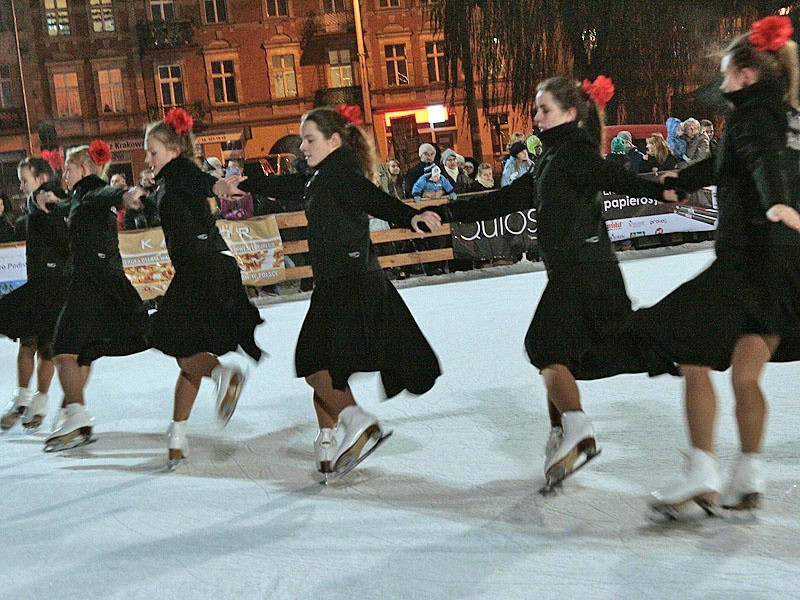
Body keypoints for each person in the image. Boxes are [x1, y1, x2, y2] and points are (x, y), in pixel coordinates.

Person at [429, 76, 677, 490]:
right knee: (558, 350)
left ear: (570, 113)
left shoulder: (574, 152)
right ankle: (563, 435)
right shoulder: (551, 156)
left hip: (585, 269)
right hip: (577, 270)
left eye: (544, 109)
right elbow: (506, 198)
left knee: (544, 346)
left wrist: (660, 190)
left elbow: (611, 176)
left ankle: (575, 428)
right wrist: (449, 211)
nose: (536, 117)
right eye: (537, 110)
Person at [613, 16, 800, 517]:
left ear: (745, 74)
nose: (720, 84)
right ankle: (750, 471)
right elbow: (731, 162)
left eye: (724, 74)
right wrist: (680, 177)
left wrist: (778, 203)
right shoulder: (782, 114)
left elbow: (763, 163)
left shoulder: (752, 116)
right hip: (783, 271)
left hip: (747, 264)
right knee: (744, 373)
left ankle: (700, 472)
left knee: (686, 347)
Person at [238, 105, 442, 479]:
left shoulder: (341, 174)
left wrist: (408, 216)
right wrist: (248, 184)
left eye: (309, 139)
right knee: (328, 367)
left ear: (333, 141)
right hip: (344, 281)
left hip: (348, 283)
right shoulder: (323, 176)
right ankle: (328, 440)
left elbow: (372, 198)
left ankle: (357, 422)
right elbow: (291, 187)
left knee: (314, 364)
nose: (302, 147)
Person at [141, 108, 264, 469]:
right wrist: (142, 197)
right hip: (211, 265)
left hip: (203, 266)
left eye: (153, 152)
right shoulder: (168, 180)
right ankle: (177, 435)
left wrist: (219, 186)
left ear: (174, 151)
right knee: (187, 352)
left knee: (167, 337)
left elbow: (198, 182)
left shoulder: (182, 171)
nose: (149, 158)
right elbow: (179, 197)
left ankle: (223, 374)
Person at [35, 141, 150, 451]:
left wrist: (125, 193)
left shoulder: (93, 191)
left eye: (68, 169)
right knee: (82, 352)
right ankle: (74, 414)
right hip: (107, 279)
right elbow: (73, 205)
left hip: (91, 281)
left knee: (62, 351)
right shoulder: (81, 197)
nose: (64, 175)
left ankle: (76, 414)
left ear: (84, 169)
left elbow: (102, 194)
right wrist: (49, 201)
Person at [0, 158, 69, 433]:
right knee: (27, 341)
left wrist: (51, 212)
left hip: (57, 284)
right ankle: (22, 399)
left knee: (47, 348)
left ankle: (40, 401)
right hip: (37, 282)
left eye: (24, 179)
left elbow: (66, 242)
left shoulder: (58, 201)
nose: (20, 185)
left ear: (40, 178)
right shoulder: (33, 201)